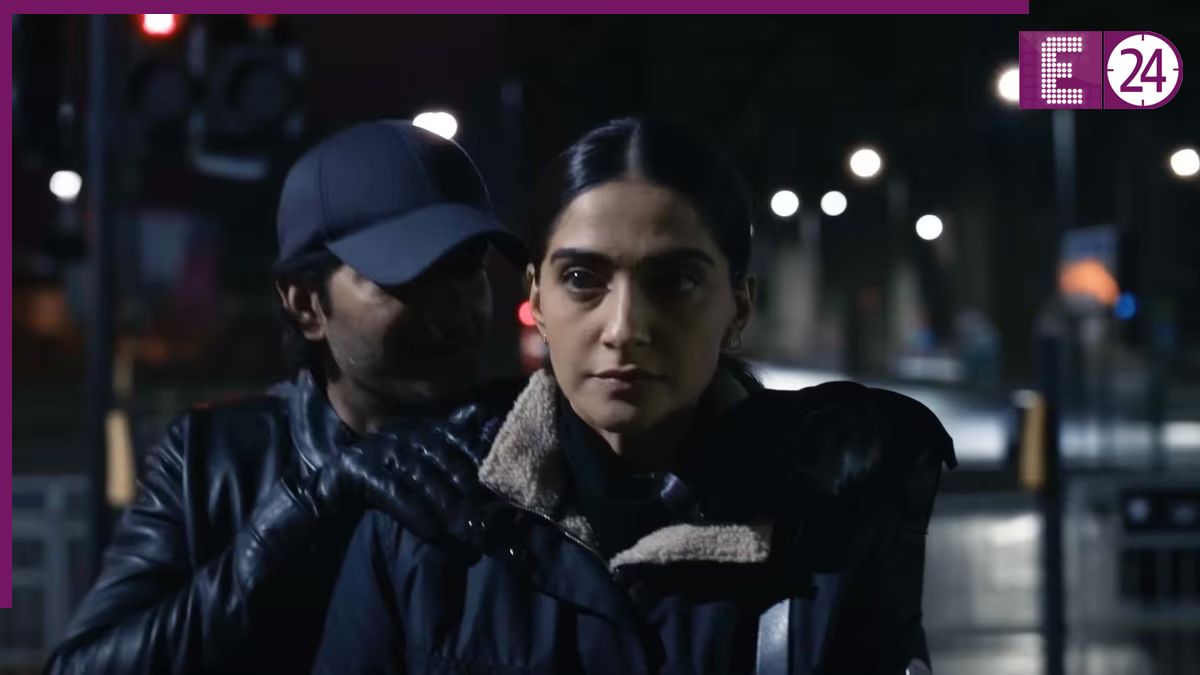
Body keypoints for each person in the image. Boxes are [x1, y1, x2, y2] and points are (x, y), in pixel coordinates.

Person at [313, 117, 957, 674]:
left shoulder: (836, 520)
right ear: (537, 299)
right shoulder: (430, 509)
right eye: (582, 278)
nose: (624, 328)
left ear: (738, 308)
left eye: (674, 282)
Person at [45, 120, 526, 674]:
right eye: (407, 277)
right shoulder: (213, 462)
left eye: (466, 269)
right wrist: (297, 517)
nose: (451, 310)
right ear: (305, 303)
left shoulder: (530, 447)